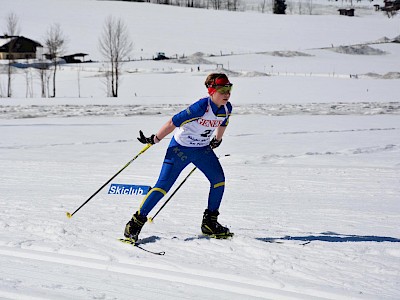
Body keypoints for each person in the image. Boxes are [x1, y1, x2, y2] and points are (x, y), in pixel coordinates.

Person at [124, 73, 234, 243]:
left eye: (229, 89)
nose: (227, 94)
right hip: (180, 149)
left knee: (218, 180)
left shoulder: (227, 108)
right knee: (163, 186)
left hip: (201, 150)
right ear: (212, 91)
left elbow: (223, 122)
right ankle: (135, 223)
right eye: (222, 90)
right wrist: (155, 139)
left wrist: (217, 140)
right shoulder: (200, 107)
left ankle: (210, 223)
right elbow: (173, 122)